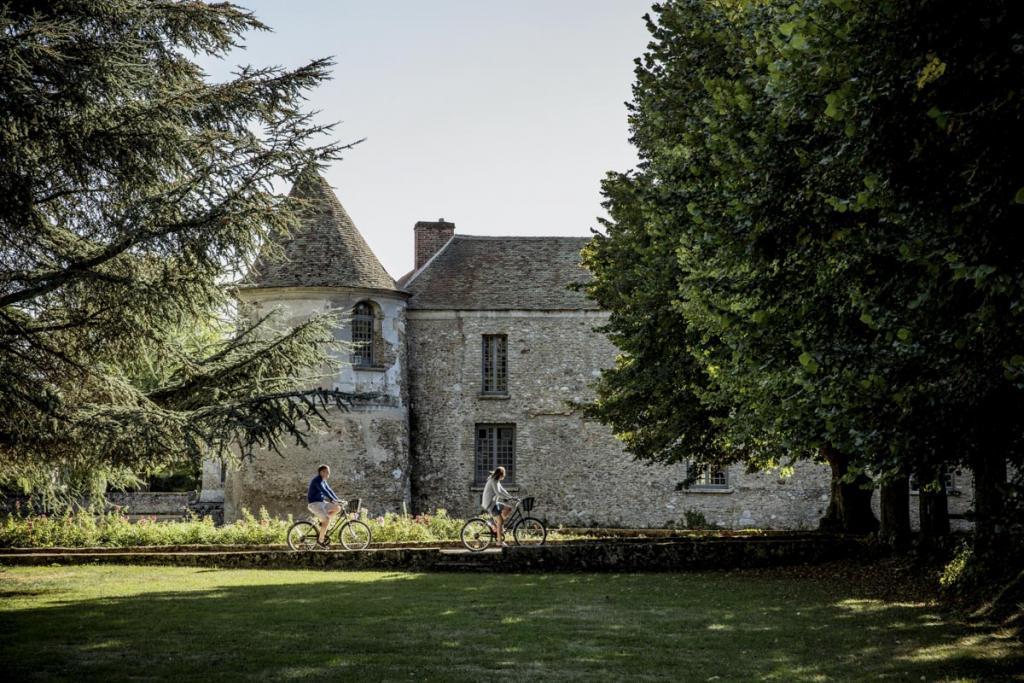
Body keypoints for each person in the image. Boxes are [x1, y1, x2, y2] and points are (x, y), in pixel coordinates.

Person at [307, 464, 343, 546]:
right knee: (326, 520)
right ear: (321, 472)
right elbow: (324, 491)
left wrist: (338, 500)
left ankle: (323, 523)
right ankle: (320, 541)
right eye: (327, 472)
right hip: (314, 504)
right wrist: (332, 500)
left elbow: (329, 490)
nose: (328, 474)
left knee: (337, 508)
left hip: (321, 503)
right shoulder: (317, 481)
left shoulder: (323, 480)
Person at [481, 466, 512, 547]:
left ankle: (496, 524)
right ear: (500, 474)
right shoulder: (493, 480)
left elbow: (502, 490)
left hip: (494, 503)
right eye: (503, 475)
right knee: (500, 522)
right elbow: (498, 493)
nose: (504, 477)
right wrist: (506, 498)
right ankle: (499, 542)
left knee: (508, 508)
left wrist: (510, 497)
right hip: (490, 504)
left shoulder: (496, 481)